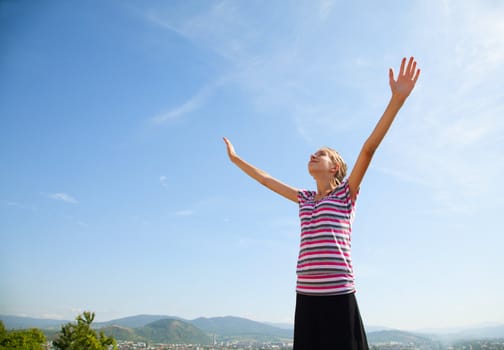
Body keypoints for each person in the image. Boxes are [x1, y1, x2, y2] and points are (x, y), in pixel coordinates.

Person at [223, 57, 421, 350]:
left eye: (321, 154)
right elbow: (266, 179)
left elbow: (369, 149)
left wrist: (397, 100)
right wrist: (237, 159)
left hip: (339, 295)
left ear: (335, 168)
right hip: (306, 296)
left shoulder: (346, 194)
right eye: (312, 154)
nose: (313, 156)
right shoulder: (304, 199)